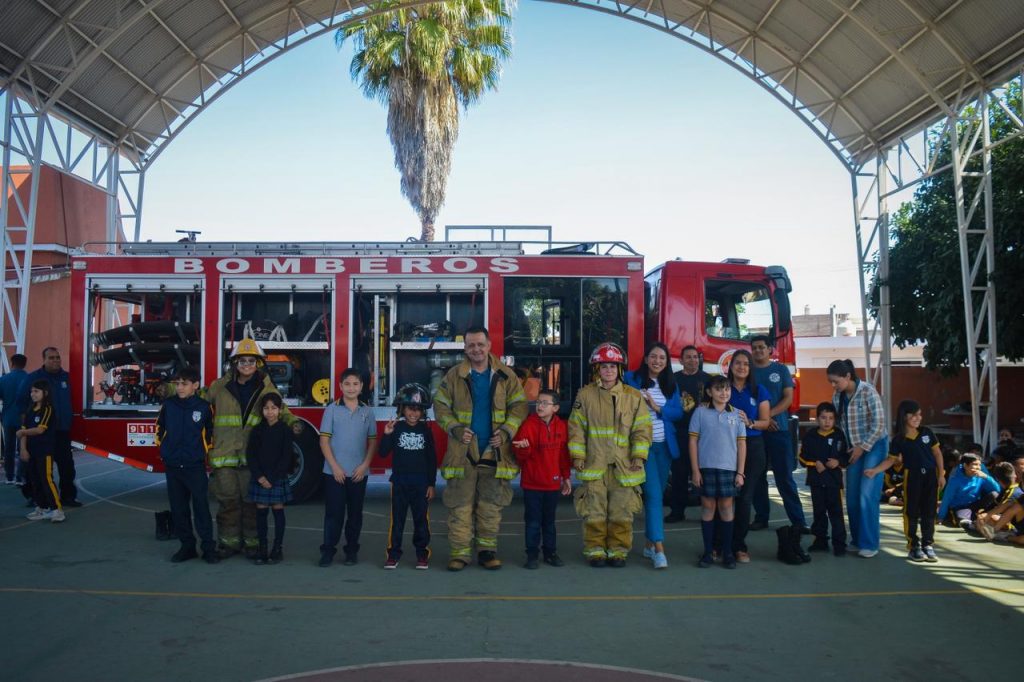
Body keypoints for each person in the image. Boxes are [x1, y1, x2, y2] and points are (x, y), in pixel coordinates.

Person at [434, 326, 527, 572]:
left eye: (480, 344)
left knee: (490, 505)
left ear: (489, 346)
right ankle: (460, 554)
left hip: (494, 452)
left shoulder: (506, 376)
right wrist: (454, 427)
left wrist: (506, 431)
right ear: (465, 348)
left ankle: (487, 552)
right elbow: (440, 407)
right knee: (460, 506)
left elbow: (520, 406)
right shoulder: (453, 376)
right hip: (463, 452)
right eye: (471, 345)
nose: (476, 349)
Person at [207, 338, 299, 559]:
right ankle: (228, 545)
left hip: (251, 458)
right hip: (225, 456)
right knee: (228, 503)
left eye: (251, 360)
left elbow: (281, 410)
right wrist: (171, 388)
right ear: (234, 362)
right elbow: (197, 397)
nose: (246, 364)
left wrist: (294, 424)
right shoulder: (219, 387)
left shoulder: (266, 387)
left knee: (250, 505)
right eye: (242, 360)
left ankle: (252, 545)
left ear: (257, 363)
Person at [569, 342, 651, 567]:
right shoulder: (585, 395)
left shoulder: (633, 396)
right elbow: (576, 428)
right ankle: (595, 550)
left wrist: (638, 455)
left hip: (625, 466)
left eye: (613, 367)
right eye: (604, 366)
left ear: (620, 370)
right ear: (597, 370)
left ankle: (618, 551)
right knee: (594, 511)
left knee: (621, 512)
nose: (608, 371)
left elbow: (642, 429)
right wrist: (578, 456)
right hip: (594, 464)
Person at [625, 342, 683, 569]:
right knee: (654, 495)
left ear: (667, 362)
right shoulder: (631, 379)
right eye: (653, 356)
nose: (657, 361)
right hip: (643, 448)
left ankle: (649, 544)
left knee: (654, 496)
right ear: (646, 358)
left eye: (662, 358)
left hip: (664, 448)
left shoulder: (670, 384)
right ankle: (659, 548)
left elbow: (678, 413)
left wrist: (657, 407)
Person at [865, 400, 944, 562]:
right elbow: (891, 460)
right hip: (912, 476)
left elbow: (937, 454)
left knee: (929, 511)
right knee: (911, 511)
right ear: (904, 416)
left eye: (920, 414)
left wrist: (941, 474)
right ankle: (913, 545)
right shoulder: (899, 440)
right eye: (913, 414)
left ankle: (928, 544)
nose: (918, 417)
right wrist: (875, 470)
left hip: (930, 476)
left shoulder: (927, 432)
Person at [155, 367, 218, 564]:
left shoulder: (204, 407)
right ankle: (187, 546)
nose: (180, 387)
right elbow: (159, 428)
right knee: (179, 508)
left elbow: (210, 433)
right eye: (177, 384)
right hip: (173, 466)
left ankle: (208, 547)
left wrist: (203, 451)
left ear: (195, 385)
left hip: (194, 466)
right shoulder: (169, 405)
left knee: (201, 508)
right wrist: (165, 450)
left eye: (184, 384)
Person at [827, 359, 888, 558]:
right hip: (854, 449)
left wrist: (862, 447)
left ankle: (870, 543)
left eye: (836, 381)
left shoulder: (868, 391)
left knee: (866, 495)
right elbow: (841, 426)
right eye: (831, 382)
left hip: (875, 445)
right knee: (852, 497)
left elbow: (879, 424)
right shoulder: (838, 397)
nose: (834, 386)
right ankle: (857, 539)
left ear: (847, 377)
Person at [319, 368, 378, 567]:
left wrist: (365, 466)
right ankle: (327, 551)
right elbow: (324, 442)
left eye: (355, 384)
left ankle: (351, 551)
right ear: (340, 386)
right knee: (333, 514)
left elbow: (372, 442)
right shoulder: (332, 410)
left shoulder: (368, 412)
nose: (351, 388)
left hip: (358, 474)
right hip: (334, 473)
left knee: (355, 515)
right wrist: (335, 468)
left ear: (361, 387)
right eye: (347, 384)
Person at [750, 335, 807, 532]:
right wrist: (763, 421)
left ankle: (799, 521)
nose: (758, 351)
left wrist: (769, 416)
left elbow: (788, 398)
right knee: (757, 477)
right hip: (757, 433)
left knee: (784, 478)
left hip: (779, 430)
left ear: (770, 349)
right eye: (754, 348)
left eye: (761, 347)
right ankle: (761, 517)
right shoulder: (748, 371)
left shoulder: (781, 369)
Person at [689, 375, 746, 569]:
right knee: (707, 508)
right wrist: (695, 471)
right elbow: (692, 442)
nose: (724, 393)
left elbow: (741, 444)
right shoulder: (700, 412)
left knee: (726, 508)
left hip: (729, 469)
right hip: (705, 468)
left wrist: (740, 472)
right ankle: (707, 553)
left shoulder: (737, 414)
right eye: (719, 389)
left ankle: (728, 553)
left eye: (727, 389)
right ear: (709, 392)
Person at [380, 383, 437, 570]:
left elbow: (431, 459)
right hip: (399, 483)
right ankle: (393, 554)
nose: (413, 414)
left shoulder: (426, 431)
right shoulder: (396, 429)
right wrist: (387, 435)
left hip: (420, 485)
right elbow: (382, 453)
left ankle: (422, 555)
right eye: (409, 409)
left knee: (421, 522)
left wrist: (431, 484)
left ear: (423, 412)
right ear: (401, 409)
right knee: (397, 521)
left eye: (417, 410)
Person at [512, 388, 572, 570]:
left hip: (552, 485)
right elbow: (521, 457)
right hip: (532, 485)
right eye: (538, 402)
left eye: (545, 403)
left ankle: (550, 553)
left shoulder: (562, 426)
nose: (540, 406)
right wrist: (522, 448)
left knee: (550, 522)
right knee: (532, 522)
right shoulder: (528, 425)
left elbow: (563, 455)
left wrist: (566, 477)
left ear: (555, 408)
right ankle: (531, 555)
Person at [723, 349, 770, 563]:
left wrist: (749, 422)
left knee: (744, 498)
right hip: (724, 447)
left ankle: (739, 546)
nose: (742, 367)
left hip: (752, 447)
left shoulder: (758, 390)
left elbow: (765, 422)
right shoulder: (722, 389)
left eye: (746, 364)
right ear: (730, 366)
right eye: (738, 363)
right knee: (723, 499)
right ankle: (719, 545)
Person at [18, 348, 78, 506]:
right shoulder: (33, 378)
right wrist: (25, 432)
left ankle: (68, 497)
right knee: (36, 468)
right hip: (39, 434)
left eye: (58, 357)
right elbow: (23, 405)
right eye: (51, 358)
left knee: (67, 467)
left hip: (62, 432)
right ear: (43, 359)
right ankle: (34, 497)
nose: (56, 360)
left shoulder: (67, 378)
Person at [247, 394, 294, 565]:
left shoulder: (285, 430)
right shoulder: (257, 431)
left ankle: (277, 548)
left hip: (277, 478)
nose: (270, 412)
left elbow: (286, 457)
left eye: (274, 408)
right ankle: (262, 548)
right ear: (262, 410)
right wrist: (260, 477)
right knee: (261, 513)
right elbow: (251, 455)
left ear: (280, 410)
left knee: (278, 512)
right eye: (266, 408)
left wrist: (272, 478)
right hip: (260, 478)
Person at [666, 345, 710, 523]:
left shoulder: (708, 379)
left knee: (705, 473)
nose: (693, 360)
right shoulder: (673, 380)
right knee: (679, 473)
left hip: (704, 433)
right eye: (689, 357)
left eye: (695, 357)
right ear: (681, 360)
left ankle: (709, 512)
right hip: (681, 432)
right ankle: (677, 511)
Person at [799, 402, 849, 556]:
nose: (827, 421)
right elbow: (802, 457)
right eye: (823, 418)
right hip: (816, 482)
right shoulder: (810, 436)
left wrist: (838, 462)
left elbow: (846, 456)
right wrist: (815, 463)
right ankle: (820, 541)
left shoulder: (839, 435)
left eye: (831, 418)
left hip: (834, 482)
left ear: (835, 420)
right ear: (817, 419)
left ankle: (839, 544)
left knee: (836, 513)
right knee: (819, 513)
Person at [19, 379, 64, 523]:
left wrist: (21, 433)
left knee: (46, 479)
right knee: (35, 480)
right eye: (31, 391)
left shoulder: (48, 409)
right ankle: (42, 507)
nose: (33, 394)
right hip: (31, 451)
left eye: (36, 391)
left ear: (45, 393)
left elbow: (40, 430)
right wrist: (23, 449)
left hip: (44, 451)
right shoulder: (30, 410)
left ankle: (57, 510)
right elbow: (24, 431)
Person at [937, 453, 1001, 529]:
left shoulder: (980, 476)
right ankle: (969, 520)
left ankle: (975, 519)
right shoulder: (955, 480)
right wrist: (940, 517)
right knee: (961, 522)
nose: (978, 468)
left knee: (994, 494)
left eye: (979, 465)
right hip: (958, 508)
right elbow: (947, 499)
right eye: (975, 464)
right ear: (965, 465)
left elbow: (997, 489)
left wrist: (986, 477)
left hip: (973, 506)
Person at [1, 353, 28, 485]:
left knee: (8, 449)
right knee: (22, 448)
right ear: (24, 364)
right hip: (24, 419)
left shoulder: (4, 379)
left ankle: (9, 477)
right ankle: (20, 477)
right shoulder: (29, 379)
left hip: (8, 418)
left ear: (12, 364)